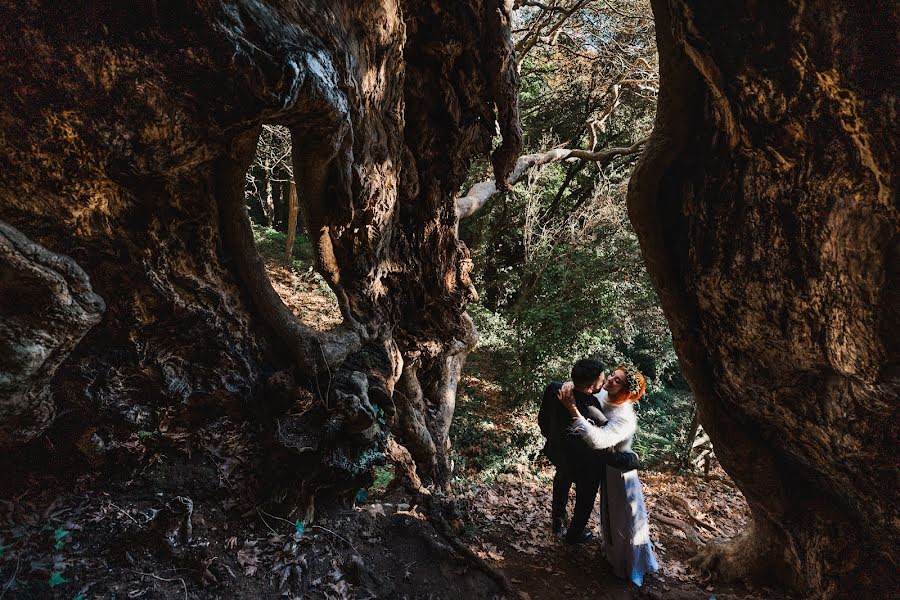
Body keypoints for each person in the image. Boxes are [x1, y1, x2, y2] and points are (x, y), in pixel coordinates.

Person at [558, 366, 659, 586]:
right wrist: (569, 386)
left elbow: (599, 441)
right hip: (606, 469)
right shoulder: (603, 393)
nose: (611, 379)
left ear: (628, 391)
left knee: (627, 518)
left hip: (623, 475)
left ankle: (632, 564)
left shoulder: (625, 418)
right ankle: (613, 554)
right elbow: (584, 389)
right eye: (613, 375)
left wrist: (573, 410)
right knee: (610, 516)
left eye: (618, 381)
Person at [538, 359, 639, 544]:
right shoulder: (595, 410)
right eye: (609, 376)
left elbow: (543, 421)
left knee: (562, 479)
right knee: (584, 500)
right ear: (592, 387)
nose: (609, 380)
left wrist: (554, 437)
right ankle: (572, 534)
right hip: (586, 463)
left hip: (562, 454)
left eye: (617, 380)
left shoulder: (554, 388)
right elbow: (600, 444)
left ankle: (558, 520)